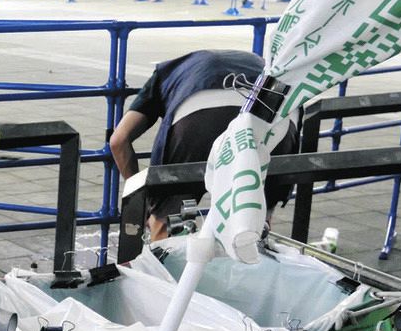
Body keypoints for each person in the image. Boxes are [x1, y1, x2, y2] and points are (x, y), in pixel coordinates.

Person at [108, 49, 298, 245]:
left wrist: (145, 202)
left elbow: (118, 140)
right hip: (276, 122)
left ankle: (166, 267)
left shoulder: (167, 72)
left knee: (167, 226)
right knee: (253, 226)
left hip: (198, 117)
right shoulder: (260, 62)